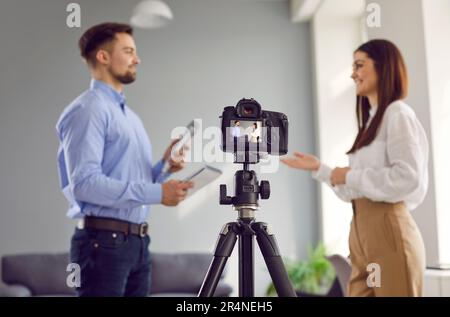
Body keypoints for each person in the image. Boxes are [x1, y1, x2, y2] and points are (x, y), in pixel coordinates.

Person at [55, 22, 193, 297]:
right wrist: (158, 193)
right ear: (103, 57)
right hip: (103, 244)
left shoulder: (129, 116)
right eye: (128, 51)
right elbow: (85, 184)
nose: (137, 59)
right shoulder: (89, 109)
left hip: (137, 243)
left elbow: (133, 180)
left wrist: (164, 167)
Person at [282, 39, 428, 297]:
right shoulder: (372, 121)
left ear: (384, 67)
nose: (353, 74)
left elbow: (408, 178)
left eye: (359, 65)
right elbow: (355, 191)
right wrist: (320, 169)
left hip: (388, 229)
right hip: (361, 230)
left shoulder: (398, 114)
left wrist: (348, 174)